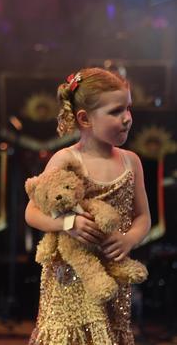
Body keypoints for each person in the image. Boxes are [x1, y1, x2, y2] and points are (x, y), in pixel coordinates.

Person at [26, 68, 150, 344]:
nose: (127, 118)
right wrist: (67, 224)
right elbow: (31, 211)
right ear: (85, 119)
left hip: (111, 277)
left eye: (128, 108)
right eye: (116, 111)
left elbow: (143, 217)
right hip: (69, 278)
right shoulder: (66, 159)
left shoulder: (131, 162)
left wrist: (129, 239)